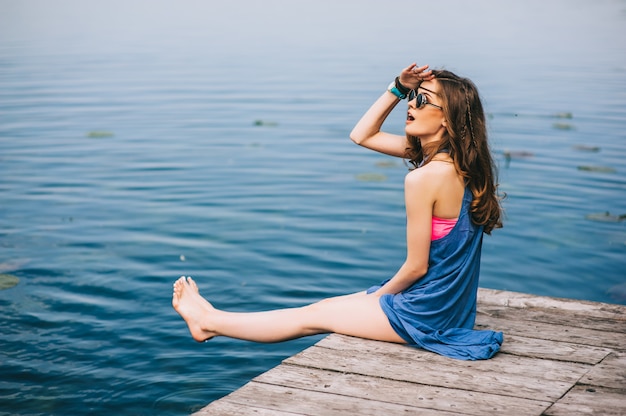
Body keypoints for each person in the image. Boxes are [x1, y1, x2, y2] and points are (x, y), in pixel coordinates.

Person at [172, 63, 504, 360]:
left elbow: (416, 267)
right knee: (325, 307)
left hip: (425, 313)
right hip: (448, 307)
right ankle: (210, 317)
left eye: (422, 100)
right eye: (411, 96)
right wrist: (398, 86)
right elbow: (362, 135)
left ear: (446, 118)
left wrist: (375, 299)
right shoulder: (461, 164)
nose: (410, 105)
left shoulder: (424, 177)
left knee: (310, 318)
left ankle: (207, 323)